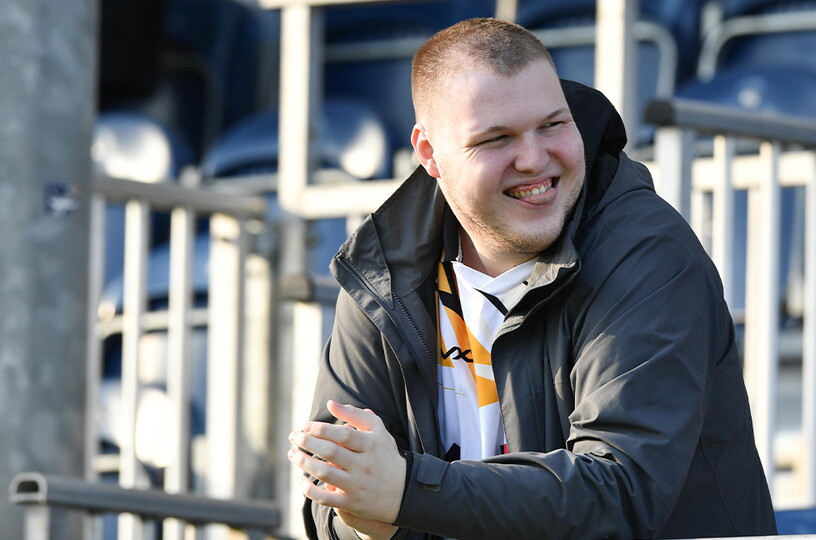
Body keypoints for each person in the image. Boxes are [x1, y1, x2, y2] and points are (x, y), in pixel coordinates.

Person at [288, 17, 777, 540]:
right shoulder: (383, 269)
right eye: (496, 138)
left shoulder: (647, 252)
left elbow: (620, 491)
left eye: (553, 125)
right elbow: (330, 499)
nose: (535, 159)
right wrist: (370, 517)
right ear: (429, 153)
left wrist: (407, 494)